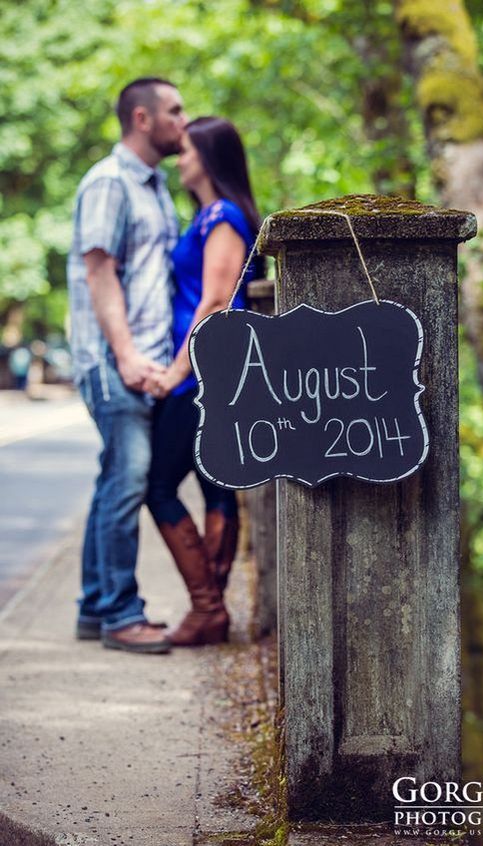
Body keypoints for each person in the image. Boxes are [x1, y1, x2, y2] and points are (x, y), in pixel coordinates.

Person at [67, 78, 188, 654]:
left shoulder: (154, 185)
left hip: (138, 357)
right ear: (142, 118)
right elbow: (99, 271)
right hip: (115, 359)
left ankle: (95, 607)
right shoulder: (110, 182)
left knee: (113, 478)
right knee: (128, 481)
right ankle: (120, 614)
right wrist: (126, 355)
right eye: (174, 111)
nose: (183, 121)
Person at [145, 117, 262, 646]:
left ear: (210, 158)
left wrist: (176, 370)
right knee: (215, 485)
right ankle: (211, 610)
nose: (179, 158)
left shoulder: (224, 215)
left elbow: (216, 301)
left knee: (159, 486)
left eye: (187, 150)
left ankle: (208, 607)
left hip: (203, 373)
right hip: (214, 371)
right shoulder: (210, 215)